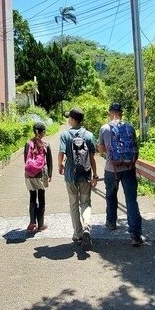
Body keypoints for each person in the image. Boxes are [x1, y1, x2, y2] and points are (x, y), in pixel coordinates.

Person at [97, 102, 144, 246]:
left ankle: (111, 222)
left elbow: (101, 150)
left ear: (109, 113)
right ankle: (135, 235)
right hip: (129, 168)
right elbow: (135, 148)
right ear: (121, 113)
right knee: (131, 200)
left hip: (112, 169)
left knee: (111, 195)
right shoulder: (129, 127)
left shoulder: (104, 128)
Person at [58, 107, 98, 250]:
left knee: (74, 204)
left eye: (69, 117)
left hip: (70, 175)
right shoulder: (89, 135)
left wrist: (60, 166)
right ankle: (87, 226)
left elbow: (61, 153)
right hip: (85, 174)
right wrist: (95, 175)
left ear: (73, 119)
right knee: (85, 203)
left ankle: (78, 234)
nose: (68, 119)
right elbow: (92, 157)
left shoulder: (65, 135)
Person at [23, 121, 52, 232]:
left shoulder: (27, 143)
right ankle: (41, 225)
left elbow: (26, 160)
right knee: (41, 198)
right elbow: (49, 161)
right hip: (41, 174)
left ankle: (32, 221)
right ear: (43, 132)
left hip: (29, 175)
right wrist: (49, 174)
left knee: (32, 197)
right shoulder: (45, 145)